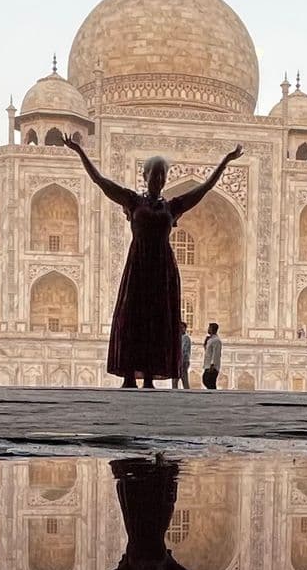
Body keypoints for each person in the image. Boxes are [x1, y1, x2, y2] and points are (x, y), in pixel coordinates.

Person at [62, 137, 242, 387]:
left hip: (162, 269)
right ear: (145, 175)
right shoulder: (133, 201)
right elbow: (100, 181)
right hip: (138, 266)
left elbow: (205, 188)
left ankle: (148, 376)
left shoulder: (172, 207)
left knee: (155, 322)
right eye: (154, 176)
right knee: (133, 318)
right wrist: (79, 151)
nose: (158, 181)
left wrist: (225, 161)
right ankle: (129, 376)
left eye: (162, 177)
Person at [63, 458, 233, 570]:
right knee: (161, 467)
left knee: (133, 465)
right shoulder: (165, 568)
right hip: (159, 510)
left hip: (135, 509)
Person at [202, 322, 222, 391]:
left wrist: (212, 365)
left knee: (210, 383)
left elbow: (216, 354)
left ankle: (214, 397)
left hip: (212, 366)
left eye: (209, 328)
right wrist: (205, 343)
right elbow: (208, 352)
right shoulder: (210, 339)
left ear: (213, 329)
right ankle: (213, 396)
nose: (208, 329)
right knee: (206, 381)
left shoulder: (216, 340)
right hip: (207, 364)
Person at [178, 321, 191, 391]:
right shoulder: (178, 337)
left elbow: (184, 351)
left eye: (182, 327)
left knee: (184, 379)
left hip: (183, 361)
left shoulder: (186, 338)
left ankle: (187, 392)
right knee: (175, 379)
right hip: (177, 361)